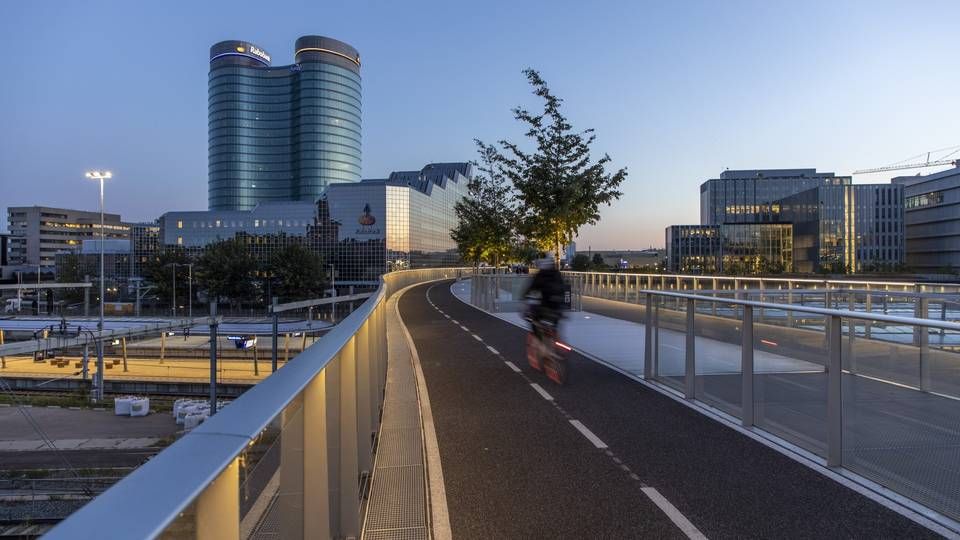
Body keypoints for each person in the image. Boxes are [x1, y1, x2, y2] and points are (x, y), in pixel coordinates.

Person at [523, 259, 566, 340]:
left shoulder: (540, 275)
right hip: (557, 307)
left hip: (544, 306)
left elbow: (530, 289)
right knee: (554, 325)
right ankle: (556, 339)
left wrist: (525, 298)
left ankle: (541, 344)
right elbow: (563, 288)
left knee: (534, 321)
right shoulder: (557, 274)